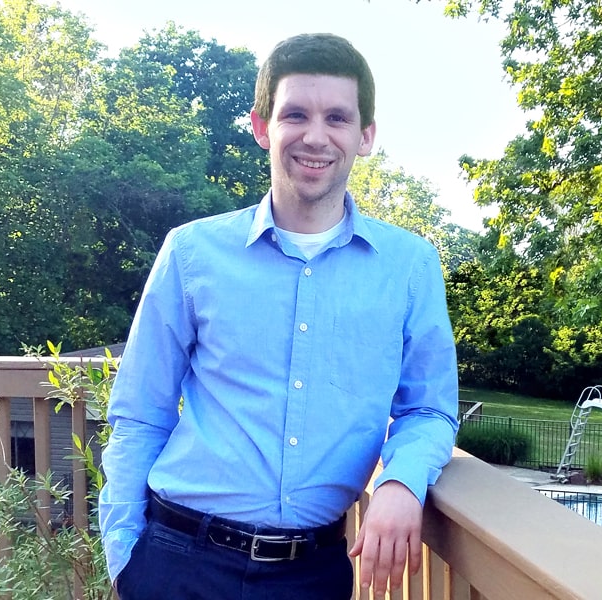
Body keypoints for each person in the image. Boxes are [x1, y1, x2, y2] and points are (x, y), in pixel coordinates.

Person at [98, 32, 459, 600]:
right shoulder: (191, 253)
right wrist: (125, 557)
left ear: (365, 136)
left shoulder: (410, 267)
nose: (317, 136)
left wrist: (401, 482)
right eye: (296, 114)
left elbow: (429, 409)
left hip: (312, 573)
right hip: (177, 562)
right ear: (263, 126)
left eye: (338, 117)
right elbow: (141, 413)